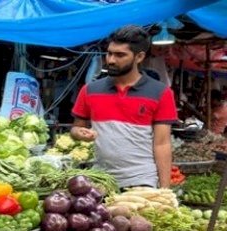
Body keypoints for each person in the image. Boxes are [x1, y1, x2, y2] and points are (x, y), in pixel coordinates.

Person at [71, 25, 177, 189]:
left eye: (120, 55)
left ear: (139, 57)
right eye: (110, 53)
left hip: (141, 180)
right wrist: (79, 133)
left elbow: (162, 144)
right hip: (100, 180)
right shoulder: (89, 90)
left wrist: (165, 191)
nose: (111, 60)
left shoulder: (161, 93)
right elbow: (76, 128)